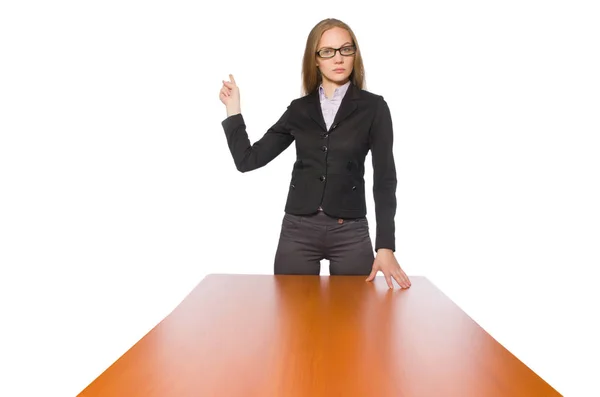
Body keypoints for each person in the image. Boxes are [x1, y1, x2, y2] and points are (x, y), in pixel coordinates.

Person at [218, 18, 411, 289]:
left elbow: (385, 180)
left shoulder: (374, 108)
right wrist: (233, 109)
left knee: (354, 324)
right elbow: (247, 160)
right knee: (293, 322)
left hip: (351, 232)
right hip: (298, 231)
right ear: (315, 59)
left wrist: (386, 246)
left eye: (346, 49)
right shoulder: (299, 110)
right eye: (327, 51)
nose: (338, 58)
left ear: (355, 53)